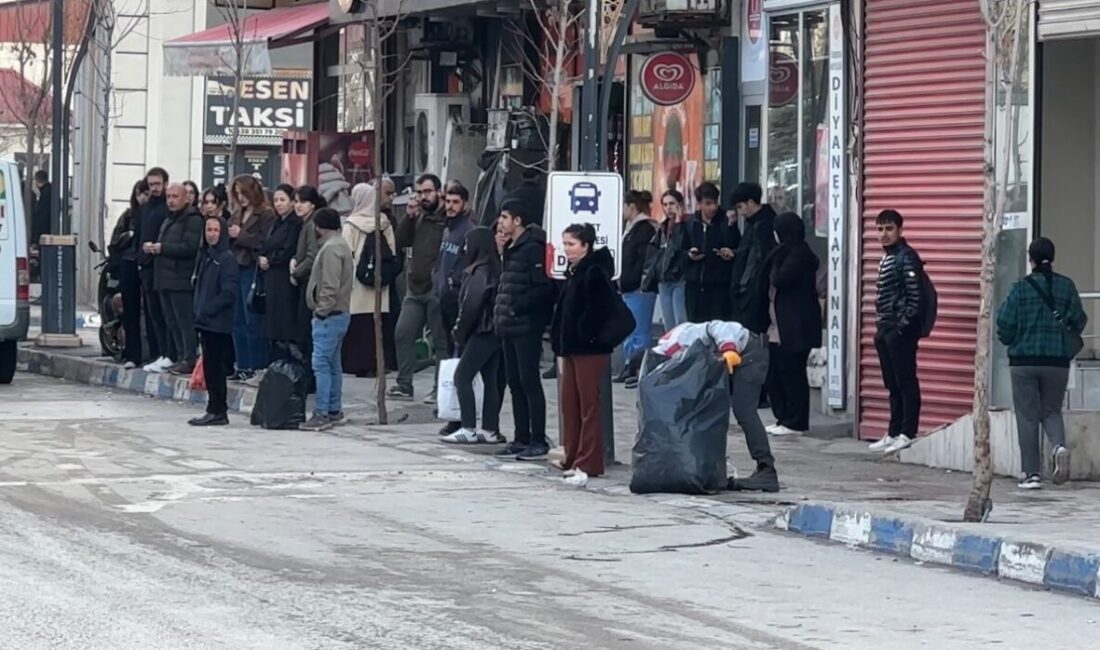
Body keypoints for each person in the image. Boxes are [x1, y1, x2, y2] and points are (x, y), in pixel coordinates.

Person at [997, 237, 1087, 489]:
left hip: (1024, 361)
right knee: (1051, 410)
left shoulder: (1020, 288)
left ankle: (1031, 474)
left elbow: (1004, 322)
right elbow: (1079, 321)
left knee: (1027, 416)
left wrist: (1012, 340)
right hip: (1057, 361)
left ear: (1031, 258)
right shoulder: (1066, 286)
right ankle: (1058, 446)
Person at [551, 223, 622, 487]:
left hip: (589, 348)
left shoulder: (593, 271)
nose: (566, 249)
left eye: (571, 244)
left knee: (589, 404)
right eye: (565, 244)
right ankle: (573, 454)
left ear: (585, 245)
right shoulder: (576, 271)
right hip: (572, 346)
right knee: (570, 403)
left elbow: (599, 309)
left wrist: (586, 333)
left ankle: (589, 460)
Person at [494, 198, 555, 461]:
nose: (501, 222)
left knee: (530, 381)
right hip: (508, 324)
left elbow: (543, 288)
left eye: (505, 217)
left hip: (526, 325)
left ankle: (537, 438)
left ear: (518, 221)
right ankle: (521, 437)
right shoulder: (511, 247)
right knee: (514, 382)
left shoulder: (533, 248)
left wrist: (518, 308)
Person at [441, 227, 506, 445]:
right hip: (492, 332)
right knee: (490, 380)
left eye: (468, 243)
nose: (465, 248)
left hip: (481, 331)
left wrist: (459, 331)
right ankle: (489, 428)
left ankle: (468, 427)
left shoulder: (479, 272)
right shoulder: (494, 268)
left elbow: (471, 305)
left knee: (462, 376)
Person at [868, 209, 925, 454]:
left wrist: (902, 327)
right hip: (885, 328)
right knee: (892, 383)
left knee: (905, 381)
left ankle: (907, 431)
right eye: (880, 229)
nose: (884, 234)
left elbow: (915, 297)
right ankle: (893, 431)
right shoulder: (888, 257)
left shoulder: (906, 257)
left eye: (889, 229)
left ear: (900, 230)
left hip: (898, 331)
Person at [389, 174, 449, 401]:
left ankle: (440, 388)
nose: (424, 196)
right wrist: (409, 217)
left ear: (438, 192)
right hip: (415, 289)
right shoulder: (420, 217)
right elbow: (401, 240)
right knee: (403, 333)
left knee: (440, 340)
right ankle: (404, 384)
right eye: (421, 192)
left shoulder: (446, 219)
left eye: (428, 192)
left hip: (435, 289)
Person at [763, 212, 823, 436]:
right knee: (776, 374)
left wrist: (776, 259)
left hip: (795, 326)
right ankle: (784, 417)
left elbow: (780, 279)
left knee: (793, 374)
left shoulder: (799, 254)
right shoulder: (785, 252)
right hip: (778, 326)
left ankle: (795, 421)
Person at [301, 207, 354, 432]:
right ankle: (334, 409)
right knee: (333, 364)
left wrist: (321, 311)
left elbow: (330, 286)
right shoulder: (341, 245)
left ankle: (322, 412)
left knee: (321, 363)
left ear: (319, 226)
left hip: (329, 316)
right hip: (340, 314)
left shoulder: (331, 249)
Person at [341, 183, 399, 377]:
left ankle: (358, 364)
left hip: (358, 283)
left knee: (359, 325)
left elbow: (345, 254)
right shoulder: (384, 222)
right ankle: (379, 363)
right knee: (378, 324)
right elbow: (392, 250)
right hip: (380, 284)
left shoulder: (351, 225)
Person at [189, 213, 239, 426]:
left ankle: (218, 410)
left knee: (215, 368)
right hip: (205, 322)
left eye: (216, 230)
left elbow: (229, 292)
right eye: (208, 230)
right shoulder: (206, 256)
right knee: (210, 367)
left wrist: (208, 310)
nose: (211, 234)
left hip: (217, 323)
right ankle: (214, 408)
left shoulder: (226, 258)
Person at [227, 175, 275, 381]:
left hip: (251, 267)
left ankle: (256, 365)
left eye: (244, 193)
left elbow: (265, 241)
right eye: (237, 194)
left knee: (251, 319)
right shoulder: (237, 213)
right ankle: (242, 364)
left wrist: (241, 236)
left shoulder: (265, 214)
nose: (241, 198)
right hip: (236, 266)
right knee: (236, 319)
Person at [154, 183, 204, 375]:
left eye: (175, 196)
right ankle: (181, 356)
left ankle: (189, 358)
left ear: (186, 198)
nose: (171, 201)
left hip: (180, 279)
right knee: (172, 321)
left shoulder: (192, 219)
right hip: (165, 278)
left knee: (185, 322)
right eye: (169, 197)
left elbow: (190, 247)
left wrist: (163, 248)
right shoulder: (170, 219)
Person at [259, 184, 304, 363]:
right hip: (271, 277)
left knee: (284, 322)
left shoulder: (295, 224)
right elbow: (266, 244)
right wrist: (263, 257)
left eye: (282, 200)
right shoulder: (276, 223)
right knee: (272, 323)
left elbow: (288, 249)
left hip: (284, 277)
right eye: (276, 200)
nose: (278, 204)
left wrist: (271, 259)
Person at [616, 190, 658, 385]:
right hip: (628, 285)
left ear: (631, 206)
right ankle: (628, 364)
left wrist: (640, 281)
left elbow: (643, 260)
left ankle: (638, 367)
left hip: (639, 287)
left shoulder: (645, 229)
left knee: (640, 329)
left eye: (624, 206)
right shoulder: (630, 228)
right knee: (630, 329)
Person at [684, 182, 738, 322]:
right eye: (708, 203)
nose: (713, 207)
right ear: (700, 204)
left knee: (719, 327)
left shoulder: (725, 220)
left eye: (715, 203)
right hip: (695, 285)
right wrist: (689, 254)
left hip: (719, 286)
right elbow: (681, 249)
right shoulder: (691, 223)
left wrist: (731, 251)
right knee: (696, 328)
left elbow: (737, 245)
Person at [110, 179, 149, 369]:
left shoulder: (155, 214)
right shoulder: (128, 216)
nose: (143, 197)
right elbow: (115, 241)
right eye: (140, 193)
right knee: (129, 310)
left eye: (146, 193)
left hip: (147, 265)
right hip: (128, 264)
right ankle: (131, 352)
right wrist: (129, 235)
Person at [137, 167, 172, 371]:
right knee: (152, 315)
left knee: (164, 314)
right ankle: (157, 353)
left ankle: (168, 353)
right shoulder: (146, 207)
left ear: (165, 183)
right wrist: (140, 258)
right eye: (151, 185)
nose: (155, 189)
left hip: (162, 266)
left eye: (158, 184)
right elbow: (141, 234)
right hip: (146, 267)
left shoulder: (167, 208)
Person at [729, 182, 777, 328]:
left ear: (750, 202)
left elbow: (760, 260)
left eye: (740, 207)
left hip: (753, 293)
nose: (741, 212)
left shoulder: (763, 225)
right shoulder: (755, 223)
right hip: (748, 290)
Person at [290, 185, 326, 380]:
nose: (298, 206)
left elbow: (312, 256)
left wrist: (296, 272)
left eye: (302, 202)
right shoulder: (306, 223)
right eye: (296, 202)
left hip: (310, 283)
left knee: (306, 332)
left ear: (312, 204)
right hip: (306, 280)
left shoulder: (312, 224)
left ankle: (309, 377)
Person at [647, 189, 689, 331]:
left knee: (680, 321)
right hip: (664, 279)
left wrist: (679, 222)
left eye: (672, 204)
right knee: (669, 324)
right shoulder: (663, 227)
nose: (668, 208)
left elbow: (678, 246)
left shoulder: (686, 225)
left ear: (680, 205)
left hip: (680, 278)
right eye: (665, 205)